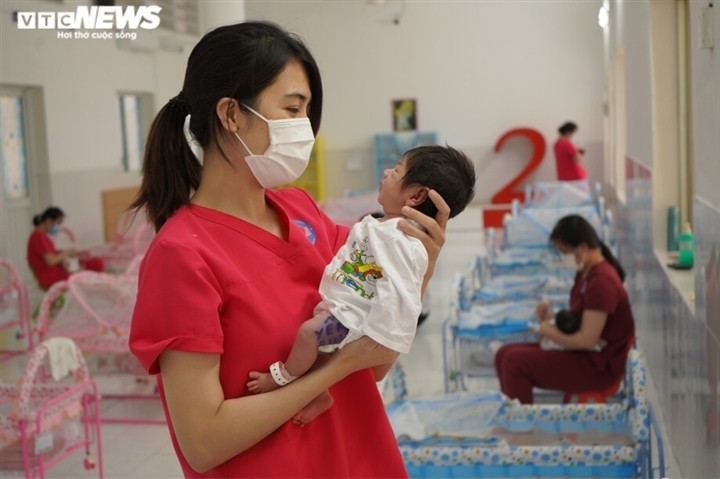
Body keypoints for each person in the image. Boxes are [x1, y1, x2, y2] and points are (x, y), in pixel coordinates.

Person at [128, 21, 450, 478]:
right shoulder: (182, 255)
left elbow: (373, 366)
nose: (305, 127)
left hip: (362, 460)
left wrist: (420, 268)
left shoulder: (302, 213)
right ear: (231, 114)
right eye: (292, 108)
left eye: (307, 111)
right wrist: (334, 371)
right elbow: (203, 443)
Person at [247, 145, 476, 425]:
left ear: (416, 196)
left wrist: (383, 341)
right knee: (319, 350)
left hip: (353, 321)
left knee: (309, 335)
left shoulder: (399, 239)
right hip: (345, 310)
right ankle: (319, 394)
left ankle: (282, 377)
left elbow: (400, 294)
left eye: (397, 169)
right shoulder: (385, 229)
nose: (386, 172)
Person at [494, 214, 634, 404]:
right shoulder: (585, 273)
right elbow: (580, 321)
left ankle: (521, 428)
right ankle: (513, 415)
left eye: (564, 252)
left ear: (582, 248)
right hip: (587, 355)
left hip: (598, 367)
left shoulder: (602, 282)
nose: (562, 258)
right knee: (503, 354)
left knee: (514, 361)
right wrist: (550, 319)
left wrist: (547, 331)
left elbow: (586, 339)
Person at [26, 206, 105, 289]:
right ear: (49, 221)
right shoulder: (38, 237)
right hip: (50, 276)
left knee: (96, 262)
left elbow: (50, 254)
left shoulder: (41, 236)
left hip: (56, 271)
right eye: (58, 223)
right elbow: (51, 261)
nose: (59, 227)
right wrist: (67, 253)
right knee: (95, 265)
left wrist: (64, 256)